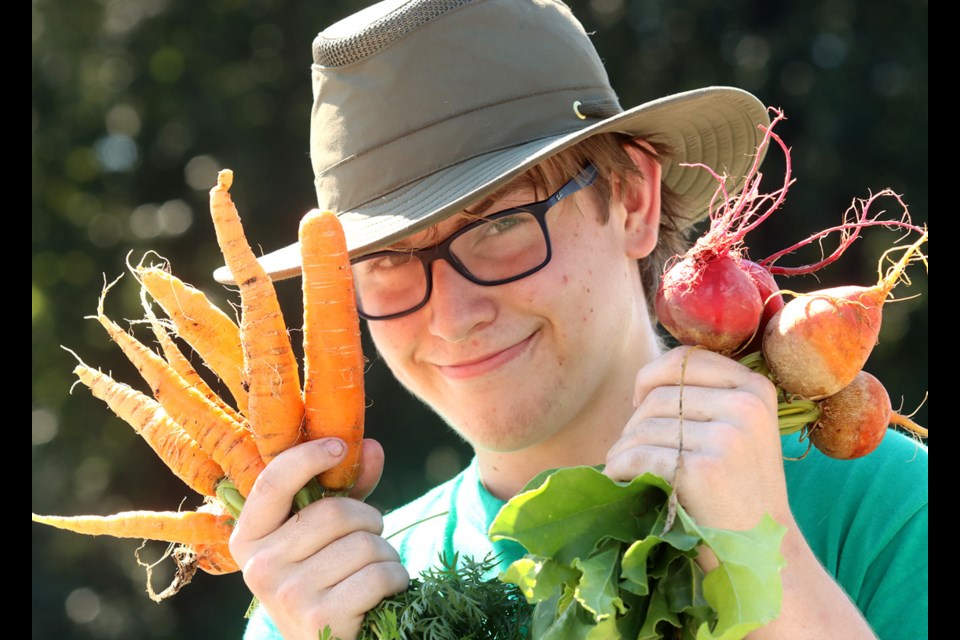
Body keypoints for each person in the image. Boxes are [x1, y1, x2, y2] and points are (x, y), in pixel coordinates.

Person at [219, 1, 929, 638]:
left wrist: (774, 573)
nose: (453, 317)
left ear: (633, 202)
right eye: (386, 261)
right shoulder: (321, 604)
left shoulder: (886, 509)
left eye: (499, 224)